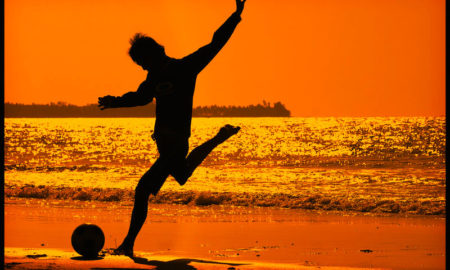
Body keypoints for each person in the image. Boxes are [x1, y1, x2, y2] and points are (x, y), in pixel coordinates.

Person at [98, 0, 246, 256]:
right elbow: (140, 97)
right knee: (182, 175)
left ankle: (128, 244)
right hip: (167, 143)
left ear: (152, 54)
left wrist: (235, 17)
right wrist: (115, 102)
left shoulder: (185, 68)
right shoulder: (152, 77)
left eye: (142, 62)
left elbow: (214, 44)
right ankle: (219, 137)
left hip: (175, 142)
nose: (142, 68)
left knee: (142, 190)